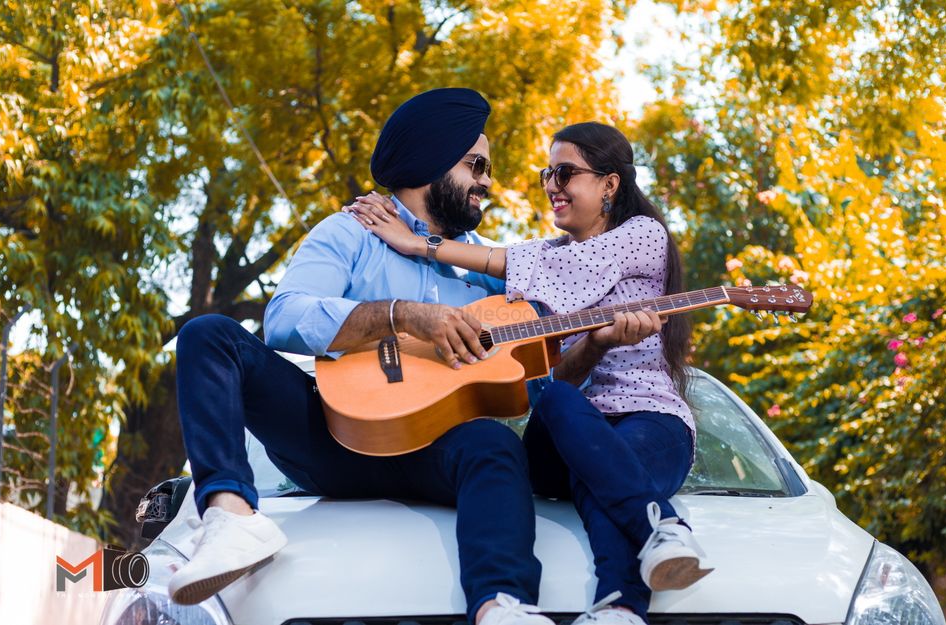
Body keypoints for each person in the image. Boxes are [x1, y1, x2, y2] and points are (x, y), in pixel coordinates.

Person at [168, 88, 556, 625]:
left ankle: (501, 607)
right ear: (429, 159)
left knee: (492, 445)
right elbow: (283, 319)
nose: (488, 181)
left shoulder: (489, 269)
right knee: (208, 333)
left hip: (439, 452)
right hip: (334, 439)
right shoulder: (352, 230)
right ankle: (231, 518)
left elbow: (540, 381)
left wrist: (597, 342)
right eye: (476, 165)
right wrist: (400, 314)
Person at [347, 121, 712, 625]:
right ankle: (659, 529)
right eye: (548, 175)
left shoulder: (642, 236)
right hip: (565, 438)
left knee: (605, 468)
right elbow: (557, 378)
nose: (553, 187)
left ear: (610, 184)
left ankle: (622, 604)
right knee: (560, 402)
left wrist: (420, 244)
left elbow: (510, 259)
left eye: (565, 173)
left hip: (647, 419)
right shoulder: (543, 271)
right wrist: (599, 343)